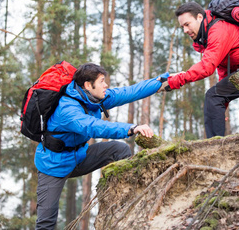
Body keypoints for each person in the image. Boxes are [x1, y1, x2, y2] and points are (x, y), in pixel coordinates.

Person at [35, 63, 168, 229]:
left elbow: (128, 92)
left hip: (80, 157)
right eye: (102, 81)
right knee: (46, 222)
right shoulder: (67, 109)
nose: (106, 85)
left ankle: (123, 201)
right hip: (53, 165)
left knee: (120, 150)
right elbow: (94, 126)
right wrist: (131, 128)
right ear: (88, 85)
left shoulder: (94, 98)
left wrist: (160, 82)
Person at [159, 1, 239, 138]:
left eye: (187, 24)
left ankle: (214, 146)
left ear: (199, 17)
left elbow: (206, 67)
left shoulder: (218, 30)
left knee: (213, 96)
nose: (185, 30)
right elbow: (224, 71)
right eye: (182, 27)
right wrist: (222, 106)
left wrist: (174, 81)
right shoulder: (208, 34)